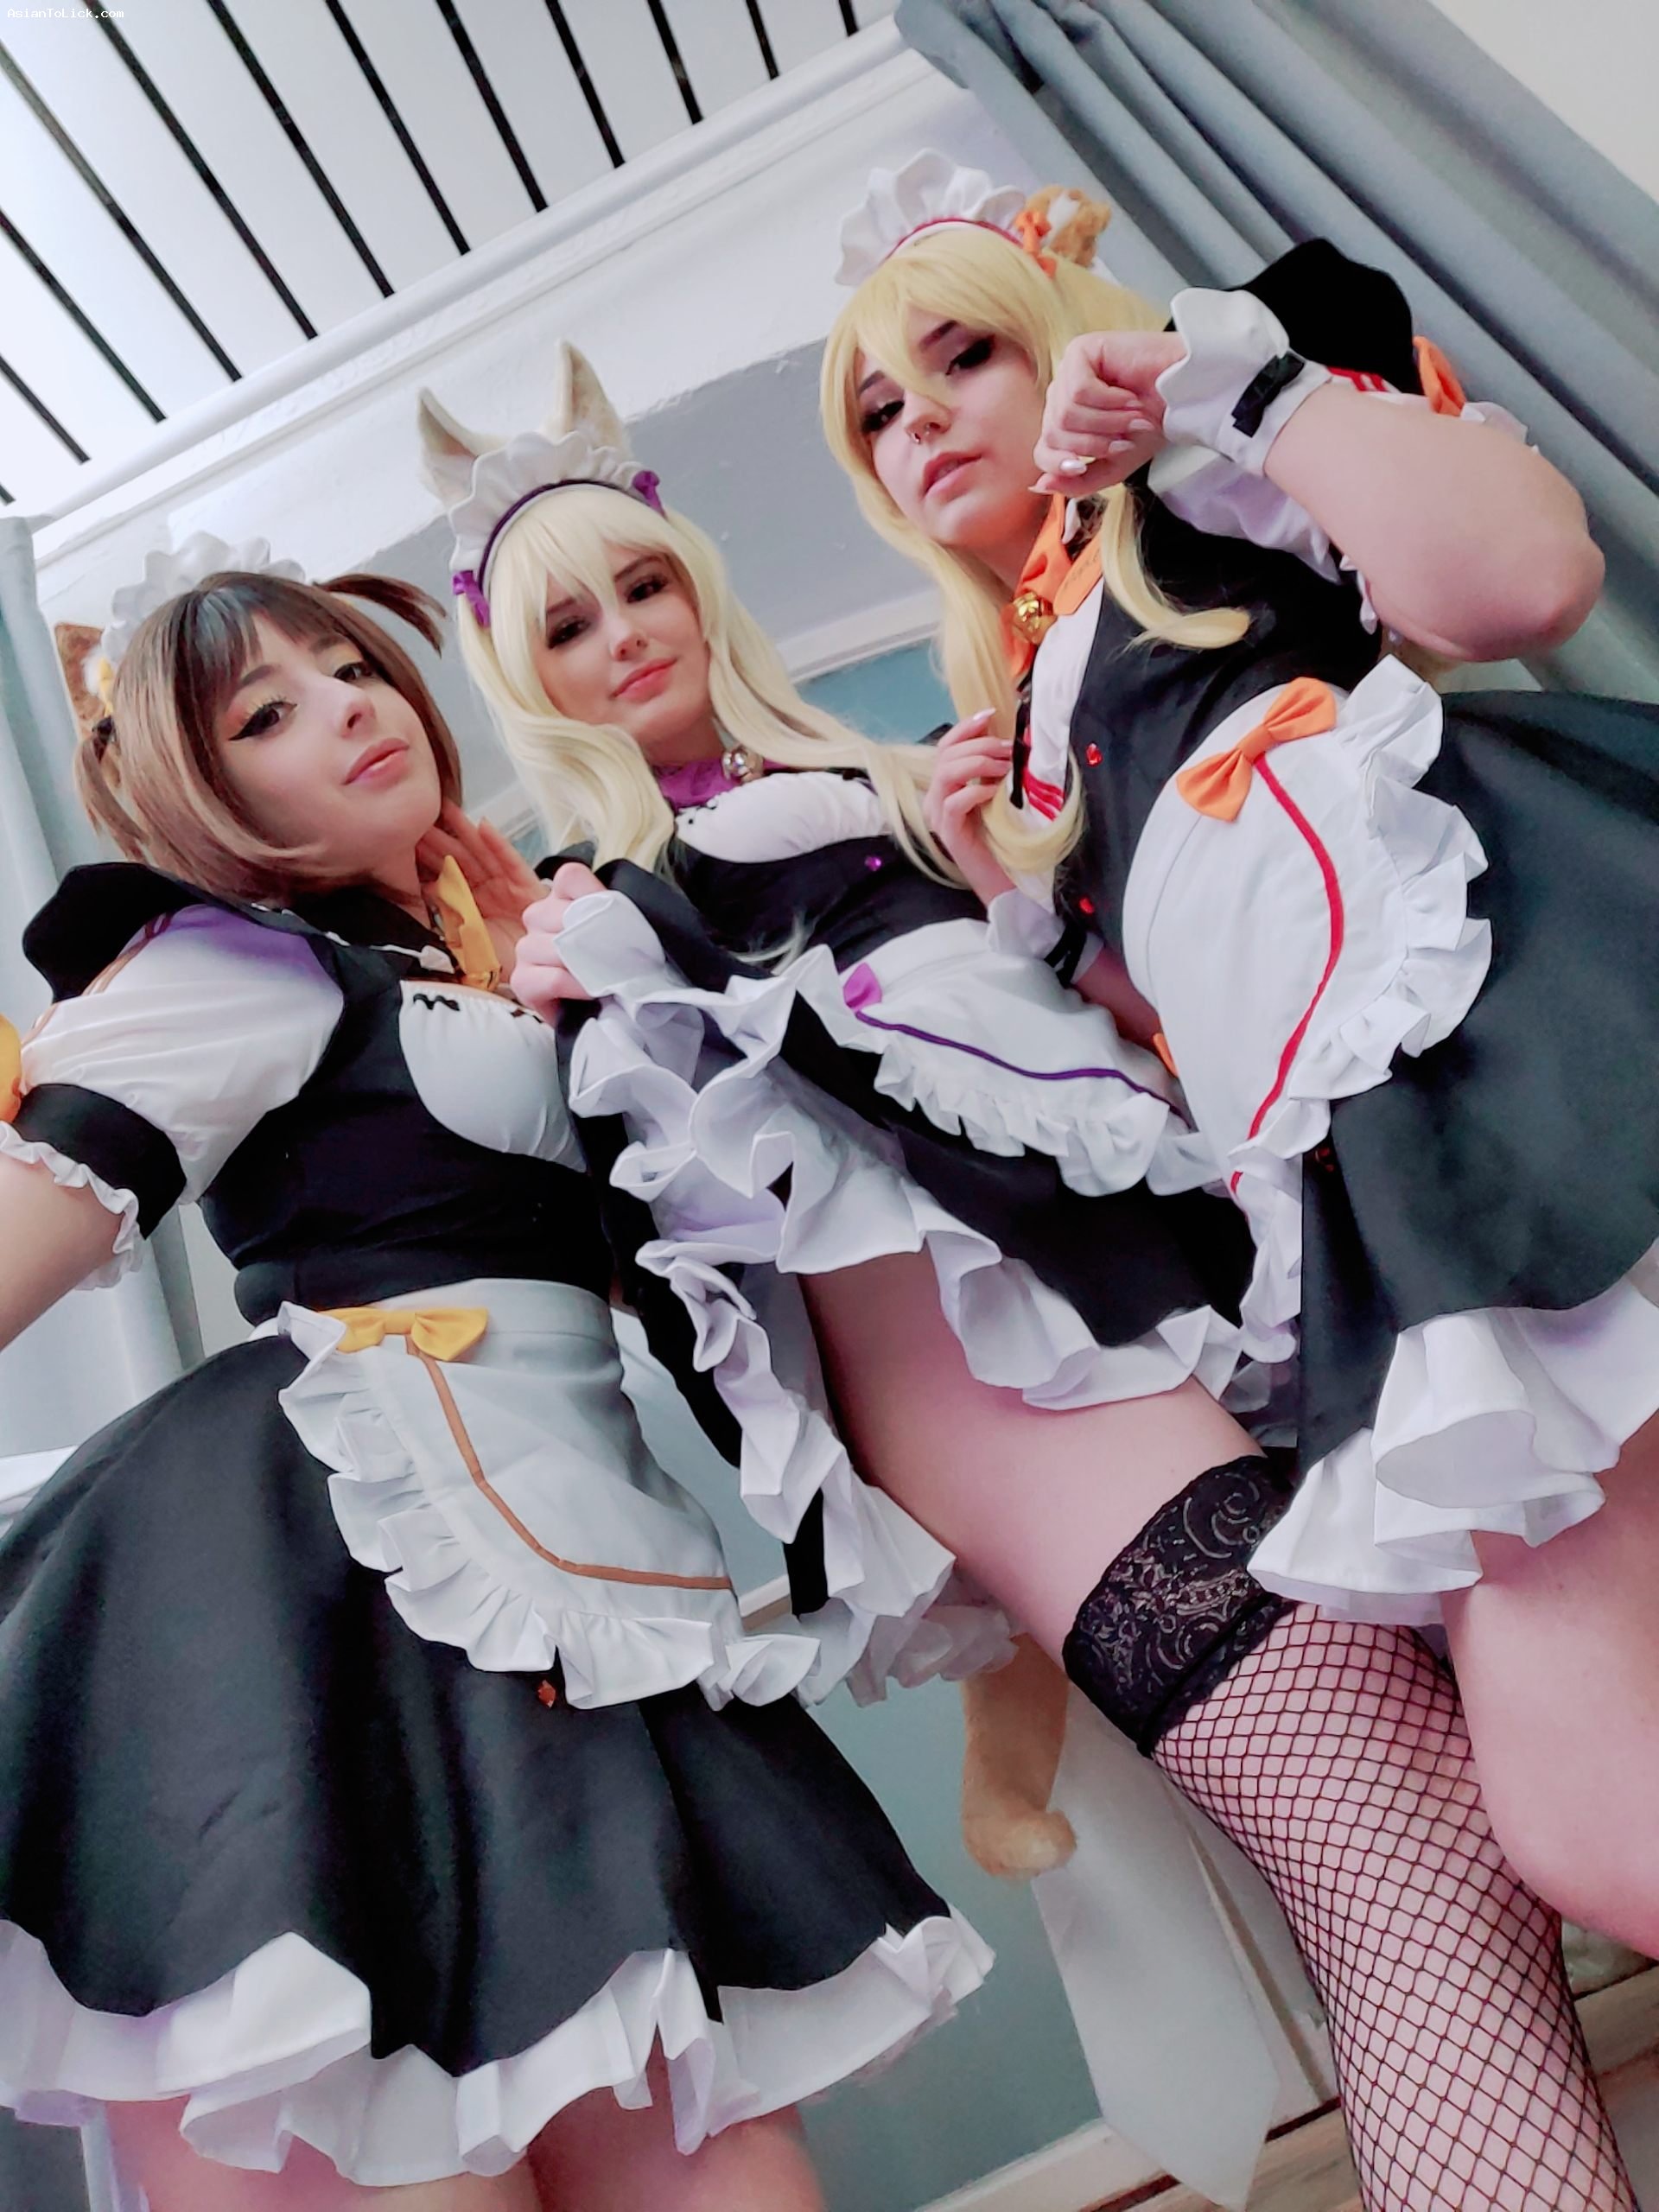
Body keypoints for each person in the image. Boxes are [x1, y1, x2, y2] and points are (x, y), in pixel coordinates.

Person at [426, 354, 1635, 2212]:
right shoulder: (609, 919)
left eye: (640, 584)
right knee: (1411, 1867)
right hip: (1025, 1417)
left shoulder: (907, 783)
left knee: (1472, 1856)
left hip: (1212, 1352)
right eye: (566, 626)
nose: (623, 639)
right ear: (524, 678)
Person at [0, 543, 992, 2212]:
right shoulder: (232, 970)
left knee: (722, 2162)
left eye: (351, 670)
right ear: (202, 794)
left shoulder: (496, 963)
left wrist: (601, 996)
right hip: (325, 1588)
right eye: (265, 714)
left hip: (579, 1575)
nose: (347, 708)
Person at [822, 150, 1659, 1958]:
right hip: (1379, 1190)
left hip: (1535, 1022)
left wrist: (1245, 384)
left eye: (962, 354)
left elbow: (1521, 578)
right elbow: (1165, 1034)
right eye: (877, 408)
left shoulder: (1198, 468)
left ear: (1063, 332)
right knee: (1587, 1818)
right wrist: (1013, 892)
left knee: (1599, 1800)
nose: (919, 420)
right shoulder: (1024, 707)